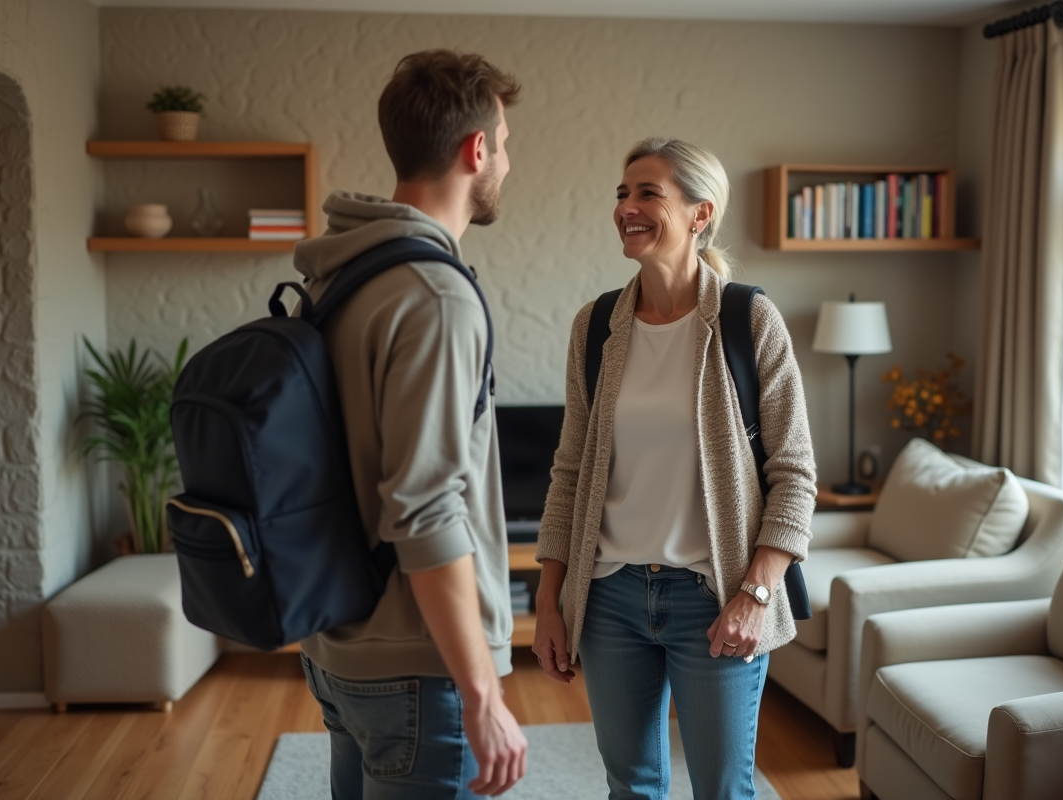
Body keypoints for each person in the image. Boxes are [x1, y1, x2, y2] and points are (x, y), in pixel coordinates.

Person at [532, 138, 817, 800]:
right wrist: (551, 597)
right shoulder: (596, 325)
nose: (627, 207)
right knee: (630, 786)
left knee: (722, 789)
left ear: (700, 212)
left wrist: (756, 594)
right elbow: (569, 470)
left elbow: (795, 473)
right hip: (610, 598)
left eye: (648, 193)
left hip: (714, 598)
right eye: (622, 194)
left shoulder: (749, 320)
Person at [292, 50, 527, 800]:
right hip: (418, 669)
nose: (507, 163)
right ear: (476, 148)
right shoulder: (434, 294)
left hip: (341, 646)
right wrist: (483, 692)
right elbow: (425, 508)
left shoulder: (341, 270)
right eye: (506, 144)